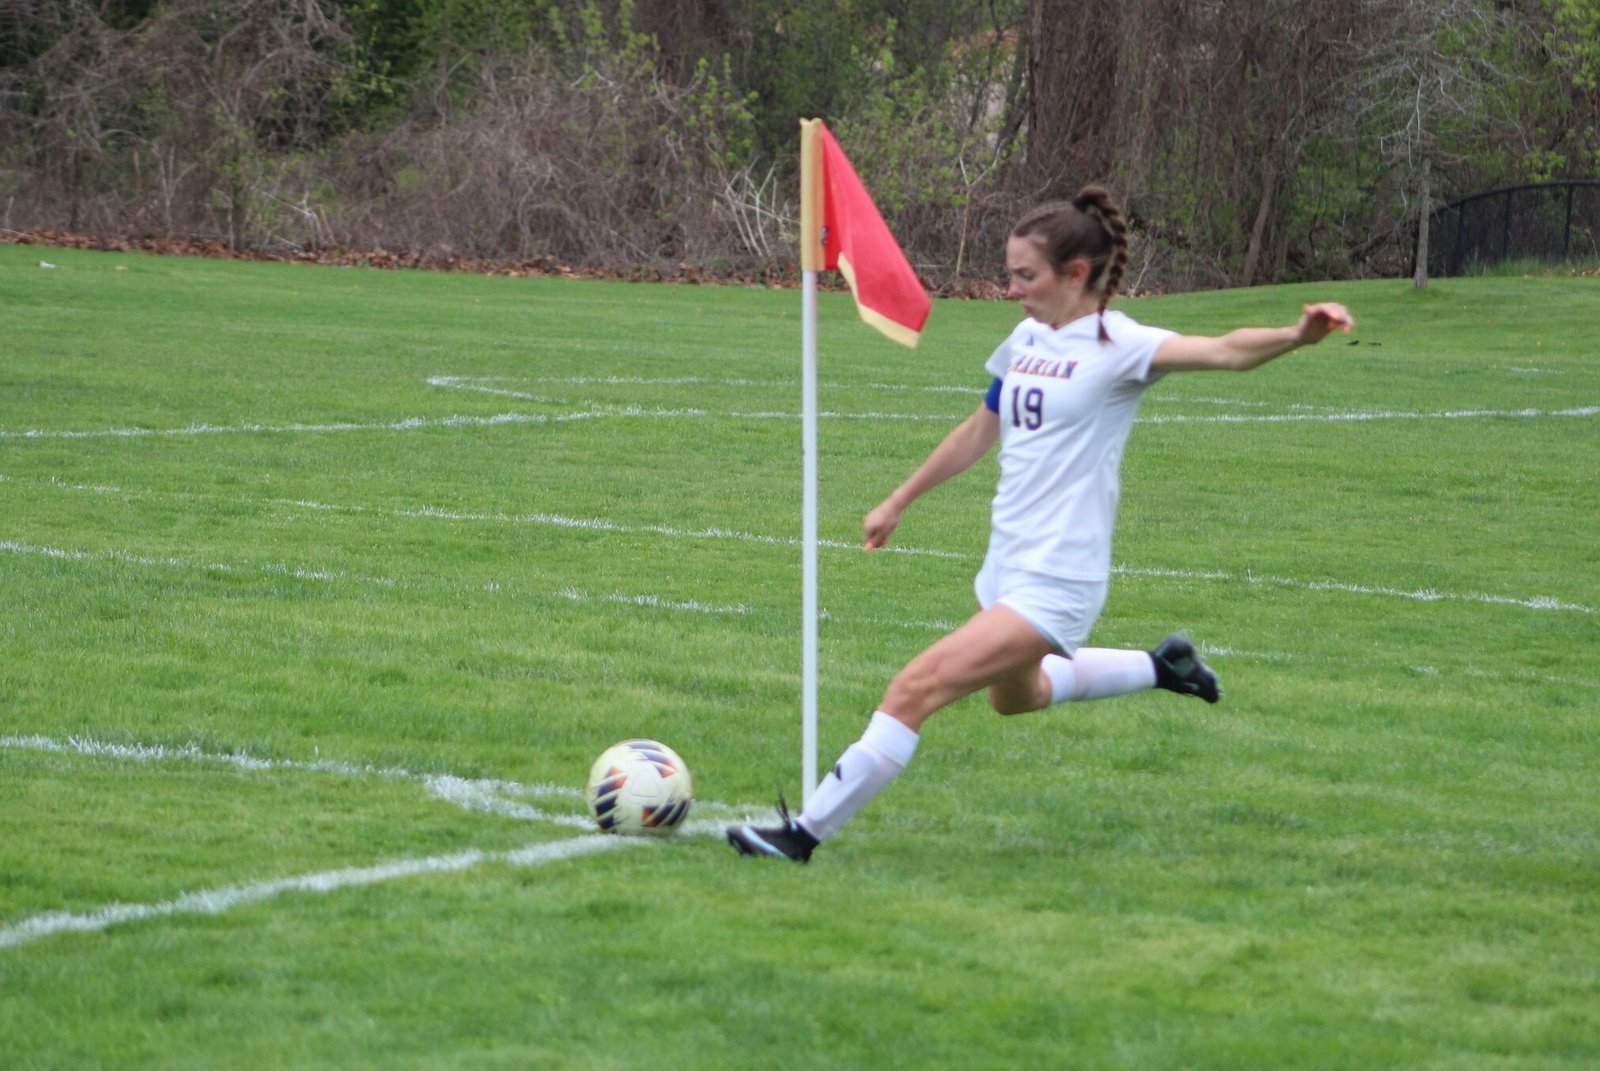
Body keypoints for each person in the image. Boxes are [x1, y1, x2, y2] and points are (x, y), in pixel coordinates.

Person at [727, 186, 1354, 863]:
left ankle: (802, 834)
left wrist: (1296, 335)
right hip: (1006, 564)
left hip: (1060, 576)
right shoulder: (1026, 338)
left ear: (1075, 274)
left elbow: (1226, 350)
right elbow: (979, 429)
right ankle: (1162, 664)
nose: (1012, 288)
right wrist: (900, 498)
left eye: (1026, 275)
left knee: (916, 685)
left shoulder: (1121, 344)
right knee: (1015, 699)